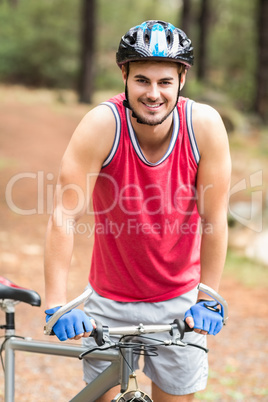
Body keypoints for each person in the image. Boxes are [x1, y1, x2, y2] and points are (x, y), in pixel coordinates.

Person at [44, 20, 231, 402]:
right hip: (108, 302)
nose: (153, 93)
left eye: (165, 82)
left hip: (180, 302)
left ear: (182, 79)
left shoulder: (203, 126)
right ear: (124, 75)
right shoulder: (102, 125)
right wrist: (57, 304)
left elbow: (214, 219)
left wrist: (208, 296)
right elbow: (65, 216)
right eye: (142, 80)